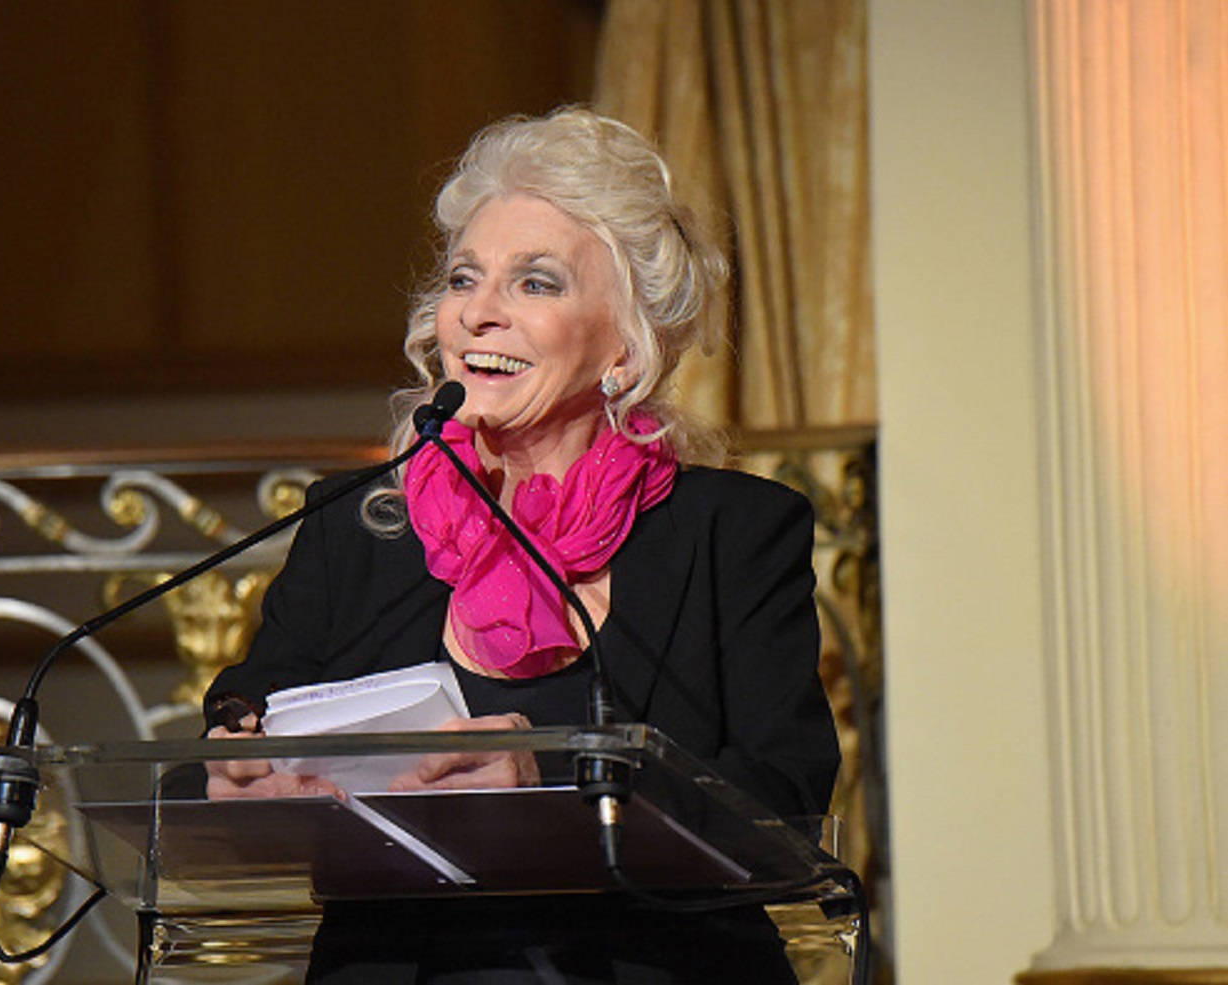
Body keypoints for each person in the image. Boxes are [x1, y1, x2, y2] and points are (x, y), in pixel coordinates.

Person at [203, 107, 839, 984]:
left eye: (535, 283)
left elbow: (784, 807)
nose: (478, 314)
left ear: (627, 344)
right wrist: (238, 771)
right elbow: (248, 719)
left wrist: (554, 776)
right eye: (465, 279)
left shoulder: (732, 531)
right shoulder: (356, 528)